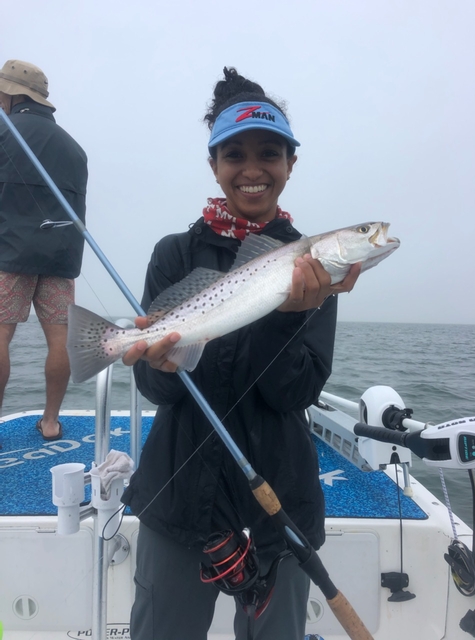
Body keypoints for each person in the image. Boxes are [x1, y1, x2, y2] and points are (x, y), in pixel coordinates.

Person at [121, 67, 360, 640]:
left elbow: (294, 394)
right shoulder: (175, 254)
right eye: (235, 154)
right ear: (214, 165)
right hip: (179, 500)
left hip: (280, 502)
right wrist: (161, 363)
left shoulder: (312, 267)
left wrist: (288, 317)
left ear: (290, 164)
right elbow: (160, 393)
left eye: (269, 153)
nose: (252, 170)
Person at [0, 59, 88, 440]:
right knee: (59, 338)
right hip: (61, 256)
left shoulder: (5, 131)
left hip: (9, 253)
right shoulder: (75, 148)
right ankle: (51, 422)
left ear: (11, 94)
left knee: (0, 336)